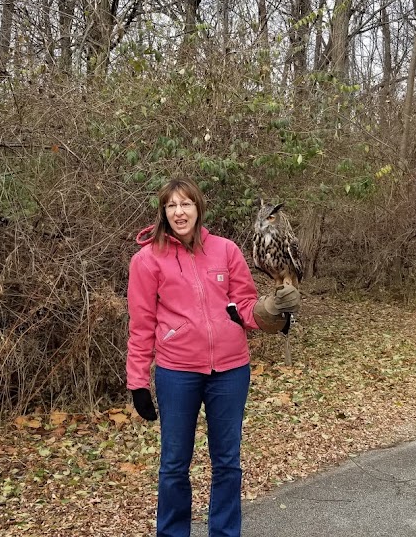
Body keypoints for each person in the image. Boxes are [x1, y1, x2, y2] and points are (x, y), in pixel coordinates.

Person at [126, 178, 300, 537]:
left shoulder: (226, 251)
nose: (179, 212)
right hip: (177, 373)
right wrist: (137, 382)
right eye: (171, 205)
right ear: (163, 211)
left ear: (198, 208)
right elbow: (141, 325)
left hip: (231, 370)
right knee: (174, 465)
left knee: (227, 464)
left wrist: (272, 313)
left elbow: (246, 307)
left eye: (186, 204)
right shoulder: (146, 261)